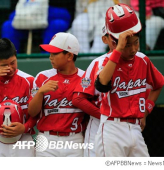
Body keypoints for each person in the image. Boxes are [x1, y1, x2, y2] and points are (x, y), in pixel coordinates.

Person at [93, 3, 164, 157]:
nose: (132, 49)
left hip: (136, 128)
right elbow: (101, 85)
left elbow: (159, 84)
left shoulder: (143, 59)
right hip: (112, 129)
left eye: (136, 43)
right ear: (114, 42)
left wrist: (146, 111)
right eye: (127, 45)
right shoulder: (106, 61)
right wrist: (118, 49)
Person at [28, 32, 86, 157]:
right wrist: (40, 92)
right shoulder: (43, 77)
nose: (50, 57)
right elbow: (32, 112)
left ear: (69, 56)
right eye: (50, 53)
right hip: (47, 140)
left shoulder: (85, 78)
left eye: (54, 53)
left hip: (75, 140)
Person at [0, 38, 37, 157]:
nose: (10, 68)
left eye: (13, 62)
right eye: (4, 65)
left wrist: (25, 127)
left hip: (24, 138)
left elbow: (36, 114)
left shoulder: (29, 80)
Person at [72, 23, 116, 157]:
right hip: (99, 123)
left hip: (127, 123)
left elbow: (152, 85)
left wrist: (144, 113)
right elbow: (78, 98)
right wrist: (102, 115)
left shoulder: (138, 59)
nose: (117, 41)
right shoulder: (97, 63)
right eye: (113, 37)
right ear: (105, 39)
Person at [2, 0, 72, 53]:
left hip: (52, 14)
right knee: (8, 26)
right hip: (25, 14)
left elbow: (66, 12)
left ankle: (47, 61)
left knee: (57, 24)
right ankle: (9, 61)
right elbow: (12, 12)